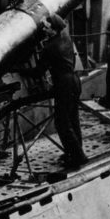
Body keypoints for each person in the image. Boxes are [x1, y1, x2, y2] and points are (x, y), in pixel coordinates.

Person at [37, 14, 88, 167]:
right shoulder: (66, 39)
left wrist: (18, 70)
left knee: (62, 123)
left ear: (53, 29)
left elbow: (38, 71)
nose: (44, 30)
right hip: (74, 81)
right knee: (73, 119)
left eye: (46, 27)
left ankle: (78, 157)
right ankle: (74, 152)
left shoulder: (50, 47)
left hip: (63, 85)